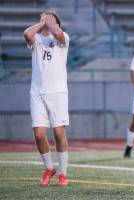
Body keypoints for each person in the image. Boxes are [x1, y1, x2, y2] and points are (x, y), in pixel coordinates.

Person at [24, 10, 70, 186]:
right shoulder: (36, 39)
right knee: (39, 134)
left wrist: (51, 23)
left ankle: (63, 173)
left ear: (57, 21)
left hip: (58, 93)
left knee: (59, 133)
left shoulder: (62, 36)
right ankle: (50, 168)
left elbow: (58, 34)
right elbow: (27, 34)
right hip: (37, 93)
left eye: (51, 17)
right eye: (44, 17)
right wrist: (42, 22)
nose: (47, 20)